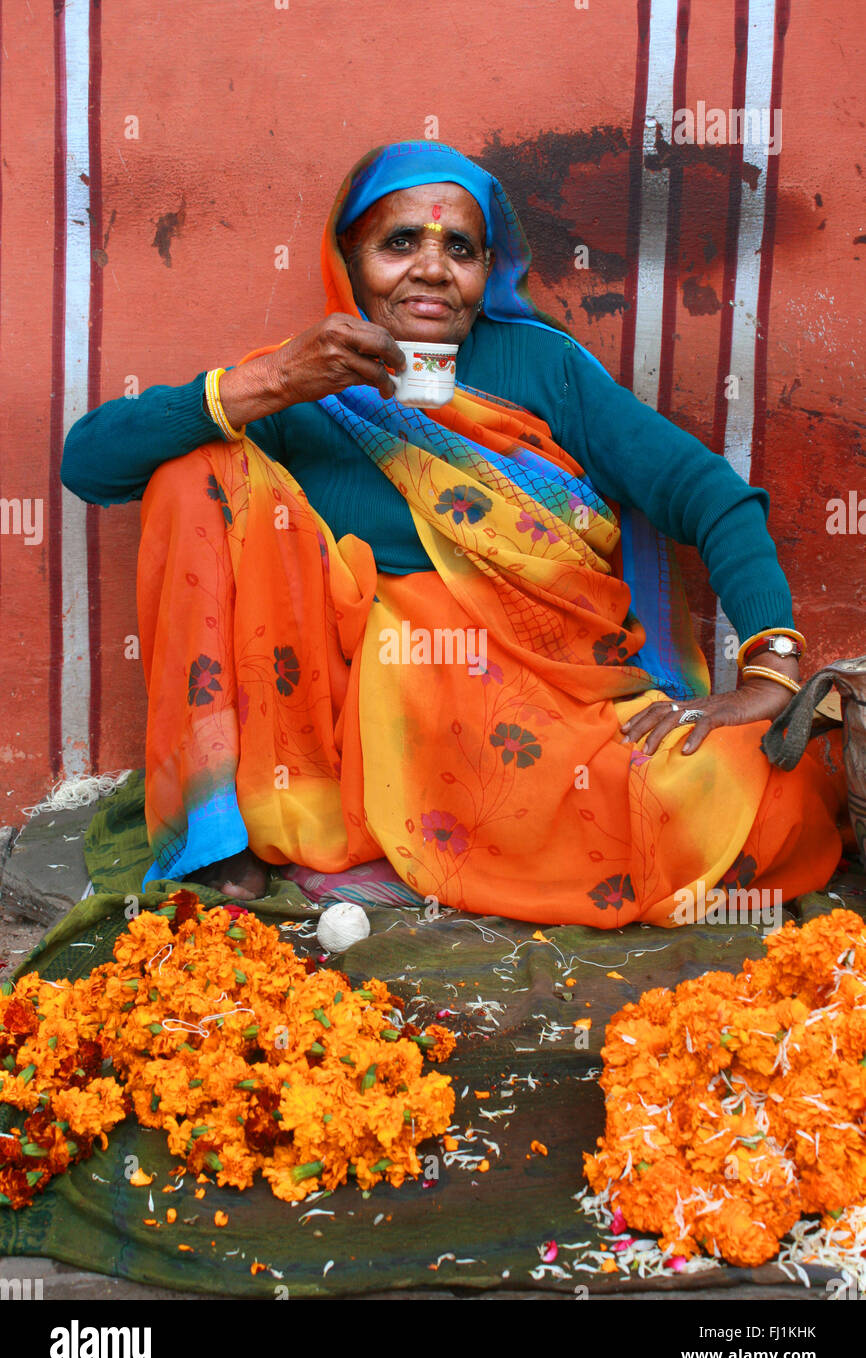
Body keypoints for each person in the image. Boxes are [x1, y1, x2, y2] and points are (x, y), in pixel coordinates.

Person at [61, 141, 851, 926]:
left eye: (461, 249)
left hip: (535, 716)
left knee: (781, 788)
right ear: (350, 260)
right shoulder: (305, 378)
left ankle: (417, 854)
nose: (434, 269)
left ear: (487, 273)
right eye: (400, 242)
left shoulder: (544, 369)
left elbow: (708, 493)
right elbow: (91, 464)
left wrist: (770, 675)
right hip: (353, 723)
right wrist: (269, 385)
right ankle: (238, 832)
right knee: (190, 469)